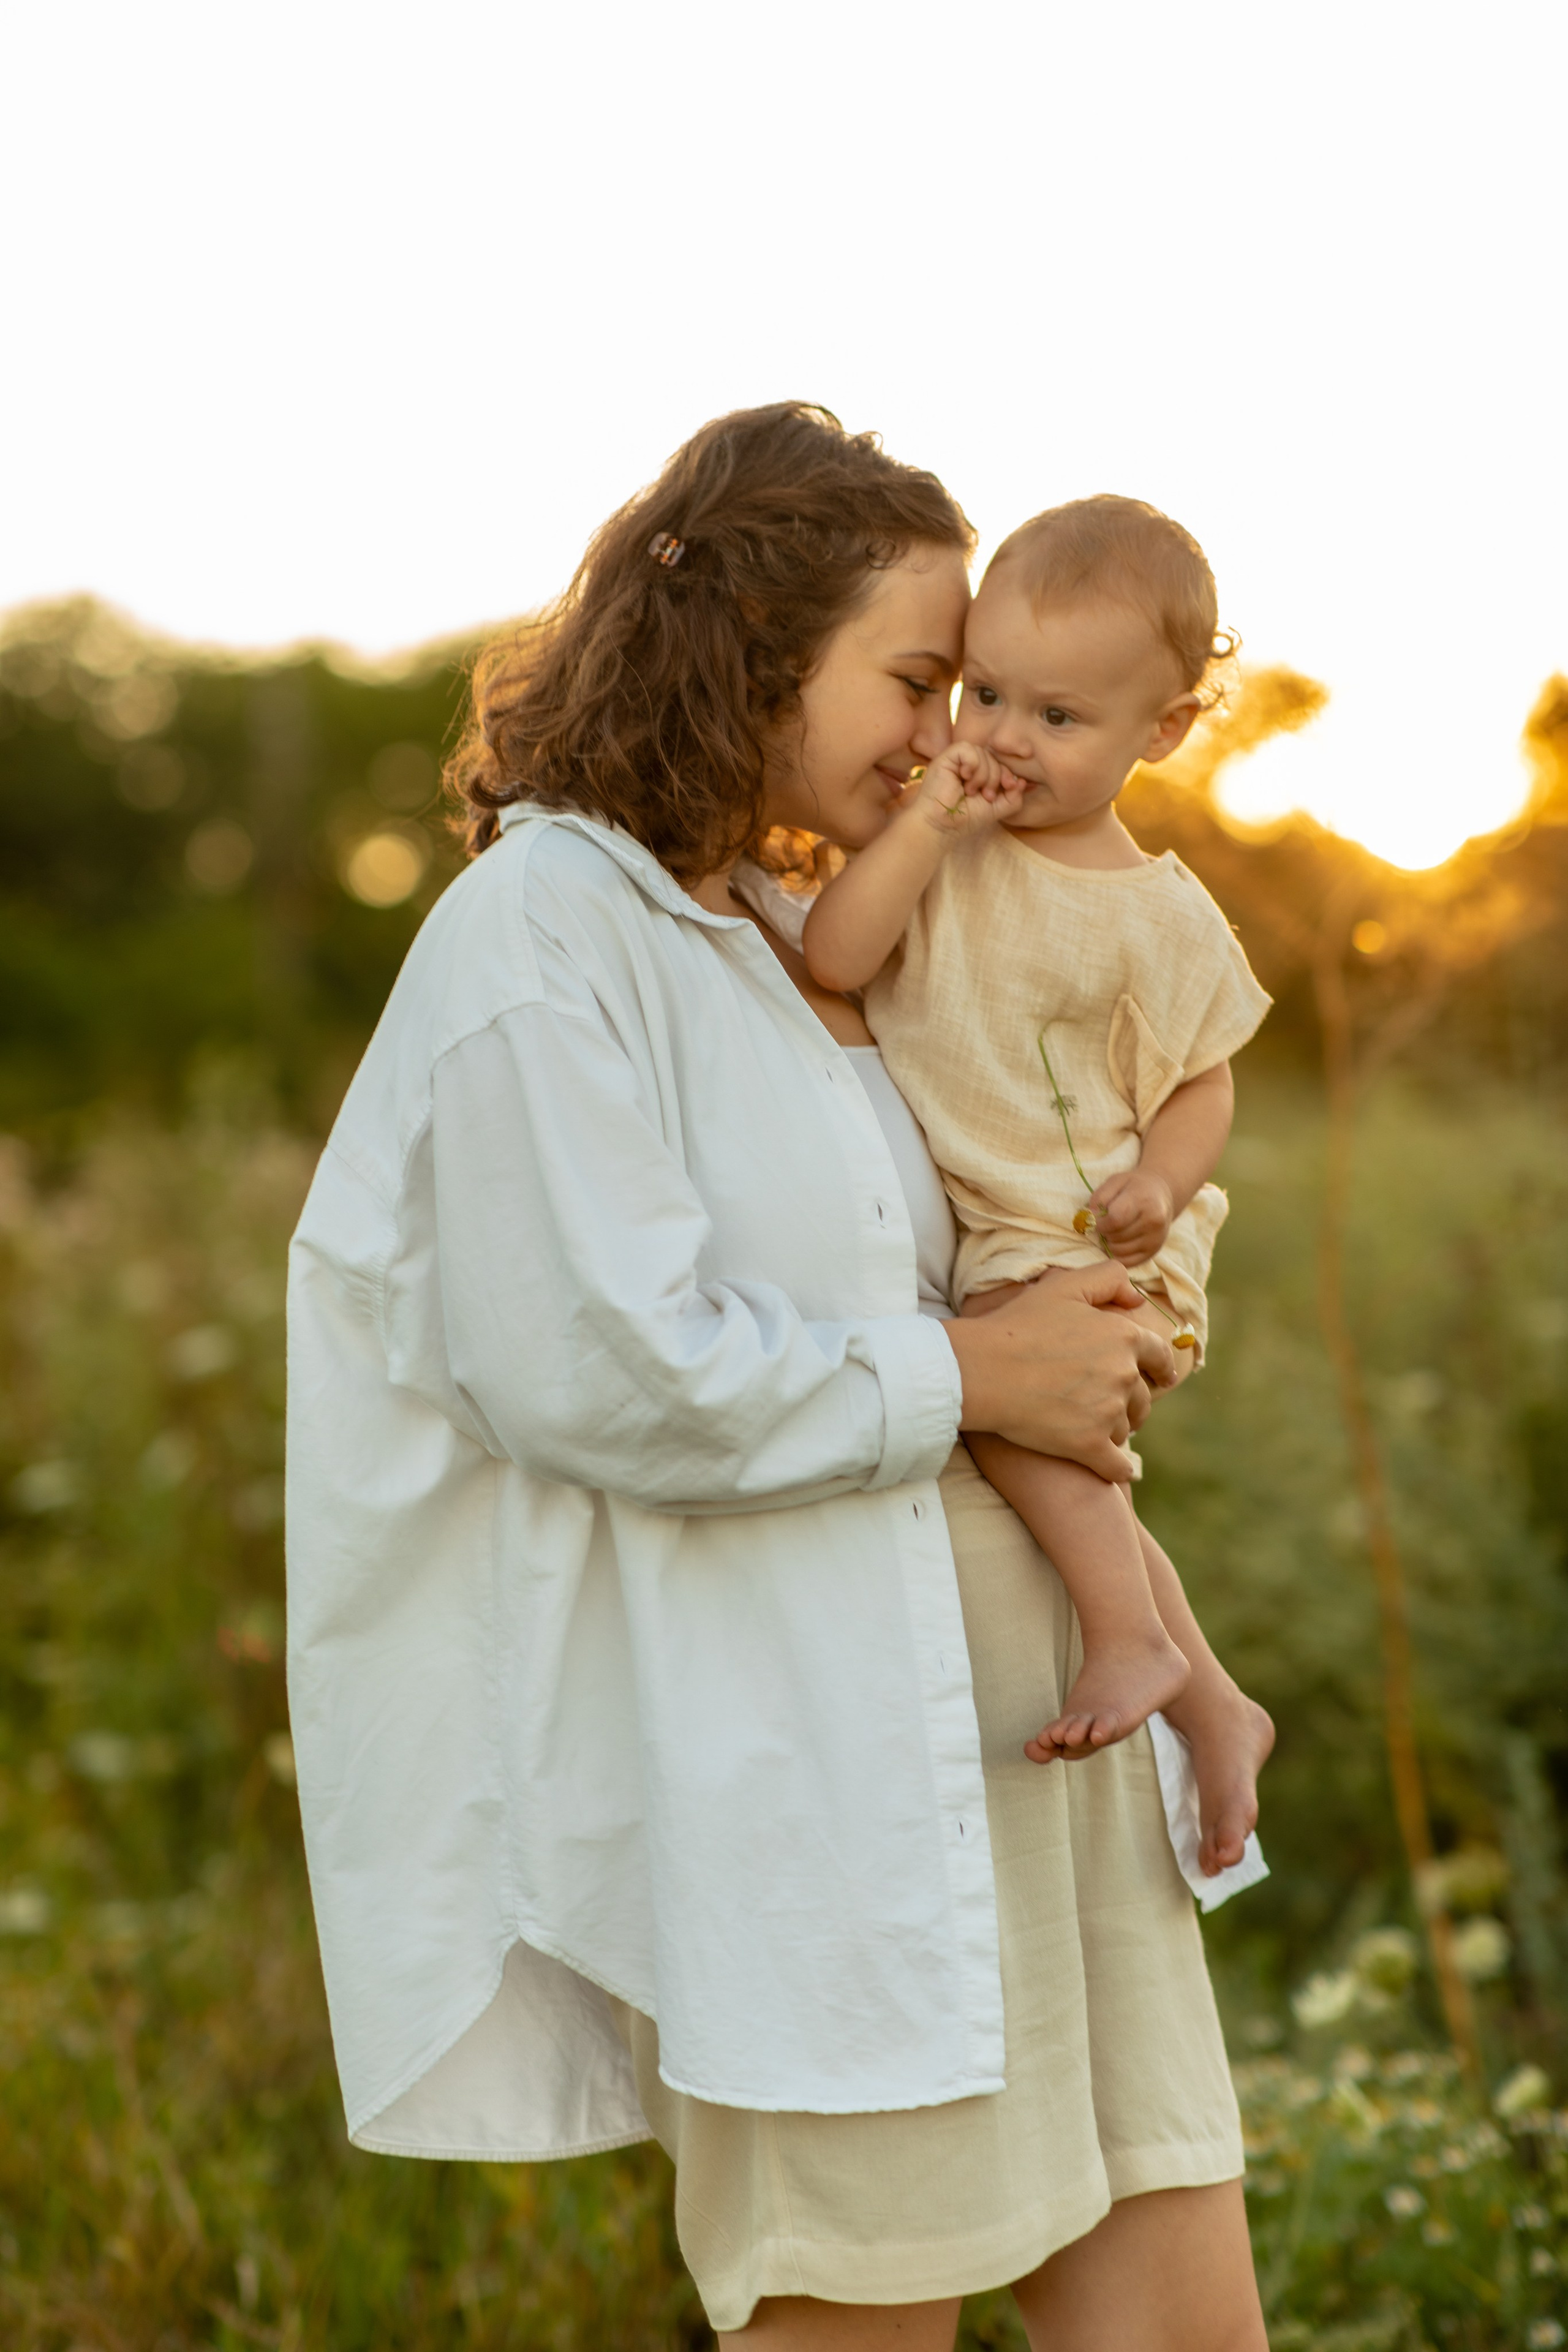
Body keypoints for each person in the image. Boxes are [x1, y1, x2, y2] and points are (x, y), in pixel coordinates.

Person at [285, 404, 1271, 2349]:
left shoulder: (781, 936)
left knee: (1178, 2318)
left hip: (1043, 1748)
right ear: (753, 638)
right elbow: (609, 1372)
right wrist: (981, 1375)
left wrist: (1196, 1679)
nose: (945, 730)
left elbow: (995, 1308)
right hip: (822, 1786)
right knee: (860, 2315)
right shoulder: (540, 939)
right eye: (921, 675)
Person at [802, 497, 1273, 1850]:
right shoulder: (941, 854)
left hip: (1095, 1233)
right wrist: (926, 830)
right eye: (982, 692)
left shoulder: (1161, 914)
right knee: (1035, 1436)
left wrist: (1165, 1186)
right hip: (1006, 1232)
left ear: (1161, 731)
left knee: (997, 1398)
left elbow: (1202, 1078)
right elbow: (835, 955)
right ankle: (1213, 1703)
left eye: (1055, 718)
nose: (1002, 737)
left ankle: (1135, 1648)